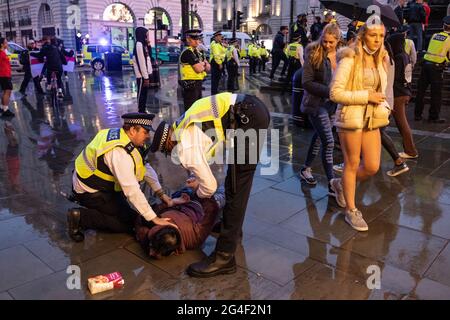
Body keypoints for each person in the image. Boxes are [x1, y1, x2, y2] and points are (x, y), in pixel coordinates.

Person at [150, 92, 270, 277]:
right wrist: (198, 177)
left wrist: (197, 190)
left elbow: (211, 187)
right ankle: (232, 231)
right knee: (233, 183)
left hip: (247, 118)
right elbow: (209, 144)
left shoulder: (183, 147)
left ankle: (224, 257)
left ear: (169, 139)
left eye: (166, 149)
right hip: (250, 110)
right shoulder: (184, 123)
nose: (170, 153)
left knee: (237, 189)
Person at [67, 112, 177, 242]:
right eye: (145, 132)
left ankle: (95, 208)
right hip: (90, 190)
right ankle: (80, 217)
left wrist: (162, 195)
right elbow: (131, 189)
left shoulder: (124, 138)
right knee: (127, 224)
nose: (148, 136)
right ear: (132, 130)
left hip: (96, 184)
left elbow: (144, 167)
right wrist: (154, 218)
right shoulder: (119, 153)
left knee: (131, 215)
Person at [330, 22, 389, 232]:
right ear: (363, 36)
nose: (377, 40)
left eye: (381, 36)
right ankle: (351, 210)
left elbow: (383, 88)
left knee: (372, 166)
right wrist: (367, 96)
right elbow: (335, 93)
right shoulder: (349, 58)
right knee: (352, 163)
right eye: (373, 35)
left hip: (372, 118)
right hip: (351, 117)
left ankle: (339, 184)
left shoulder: (381, 58)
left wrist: (383, 103)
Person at [299, 23, 345, 206]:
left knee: (319, 138)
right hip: (316, 104)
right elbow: (307, 82)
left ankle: (305, 169)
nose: (327, 45)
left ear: (338, 40)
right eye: (325, 41)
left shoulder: (343, 54)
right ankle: (332, 183)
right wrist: (329, 92)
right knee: (329, 141)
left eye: (331, 42)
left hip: (333, 105)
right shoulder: (313, 52)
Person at [135, 185, 225, 259]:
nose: (150, 253)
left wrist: (172, 202)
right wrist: (201, 192)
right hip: (201, 205)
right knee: (224, 191)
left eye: (152, 247)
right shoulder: (195, 238)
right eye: (155, 250)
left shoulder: (150, 230)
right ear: (173, 251)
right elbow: (211, 209)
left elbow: (142, 217)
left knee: (192, 184)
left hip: (181, 200)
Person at [387, 33, 418, 159]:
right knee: (401, 122)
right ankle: (409, 150)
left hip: (399, 93)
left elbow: (396, 77)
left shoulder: (399, 58)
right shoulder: (405, 56)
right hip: (405, 92)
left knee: (402, 123)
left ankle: (411, 151)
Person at [414, 16, 450, 123]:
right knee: (436, 94)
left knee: (421, 91)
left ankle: (417, 115)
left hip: (425, 65)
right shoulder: (449, 39)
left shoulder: (435, 35)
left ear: (443, 26)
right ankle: (433, 116)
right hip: (436, 68)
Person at [179, 29, 210, 111]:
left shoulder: (197, 52)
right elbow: (199, 69)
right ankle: (189, 124)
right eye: (194, 39)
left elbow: (208, 68)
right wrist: (203, 64)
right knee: (191, 110)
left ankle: (196, 124)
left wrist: (202, 64)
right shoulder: (188, 52)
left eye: (198, 39)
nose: (197, 41)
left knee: (197, 110)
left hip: (197, 84)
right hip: (190, 84)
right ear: (188, 39)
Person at [133, 27, 153, 113]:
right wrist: (145, 77)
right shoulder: (139, 44)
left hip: (145, 74)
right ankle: (140, 111)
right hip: (141, 75)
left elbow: (149, 56)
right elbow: (141, 61)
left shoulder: (143, 44)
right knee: (141, 93)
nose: (147, 36)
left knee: (145, 93)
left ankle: (143, 109)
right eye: (147, 34)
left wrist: (148, 45)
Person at [0, 37, 14, 118]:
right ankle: (6, 109)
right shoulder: (1, 53)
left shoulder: (3, 52)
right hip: (4, 75)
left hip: (5, 75)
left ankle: (3, 107)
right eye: (6, 42)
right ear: (2, 44)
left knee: (5, 92)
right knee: (7, 92)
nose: (7, 44)